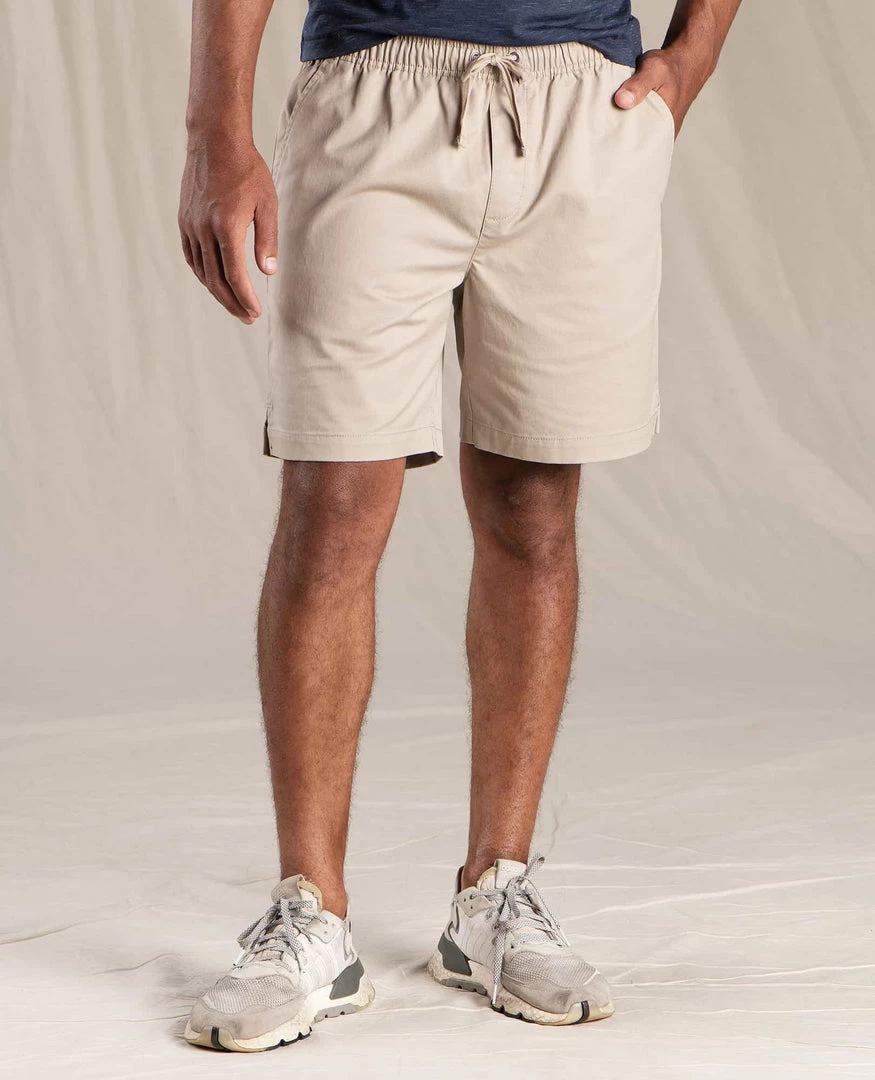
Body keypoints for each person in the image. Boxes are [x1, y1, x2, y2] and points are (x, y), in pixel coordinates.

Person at [178, 0, 742, 1052]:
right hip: (373, 85)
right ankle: (311, 915)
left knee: (533, 508)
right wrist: (216, 129)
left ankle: (495, 892)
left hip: (580, 101)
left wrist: (695, 50)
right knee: (332, 506)